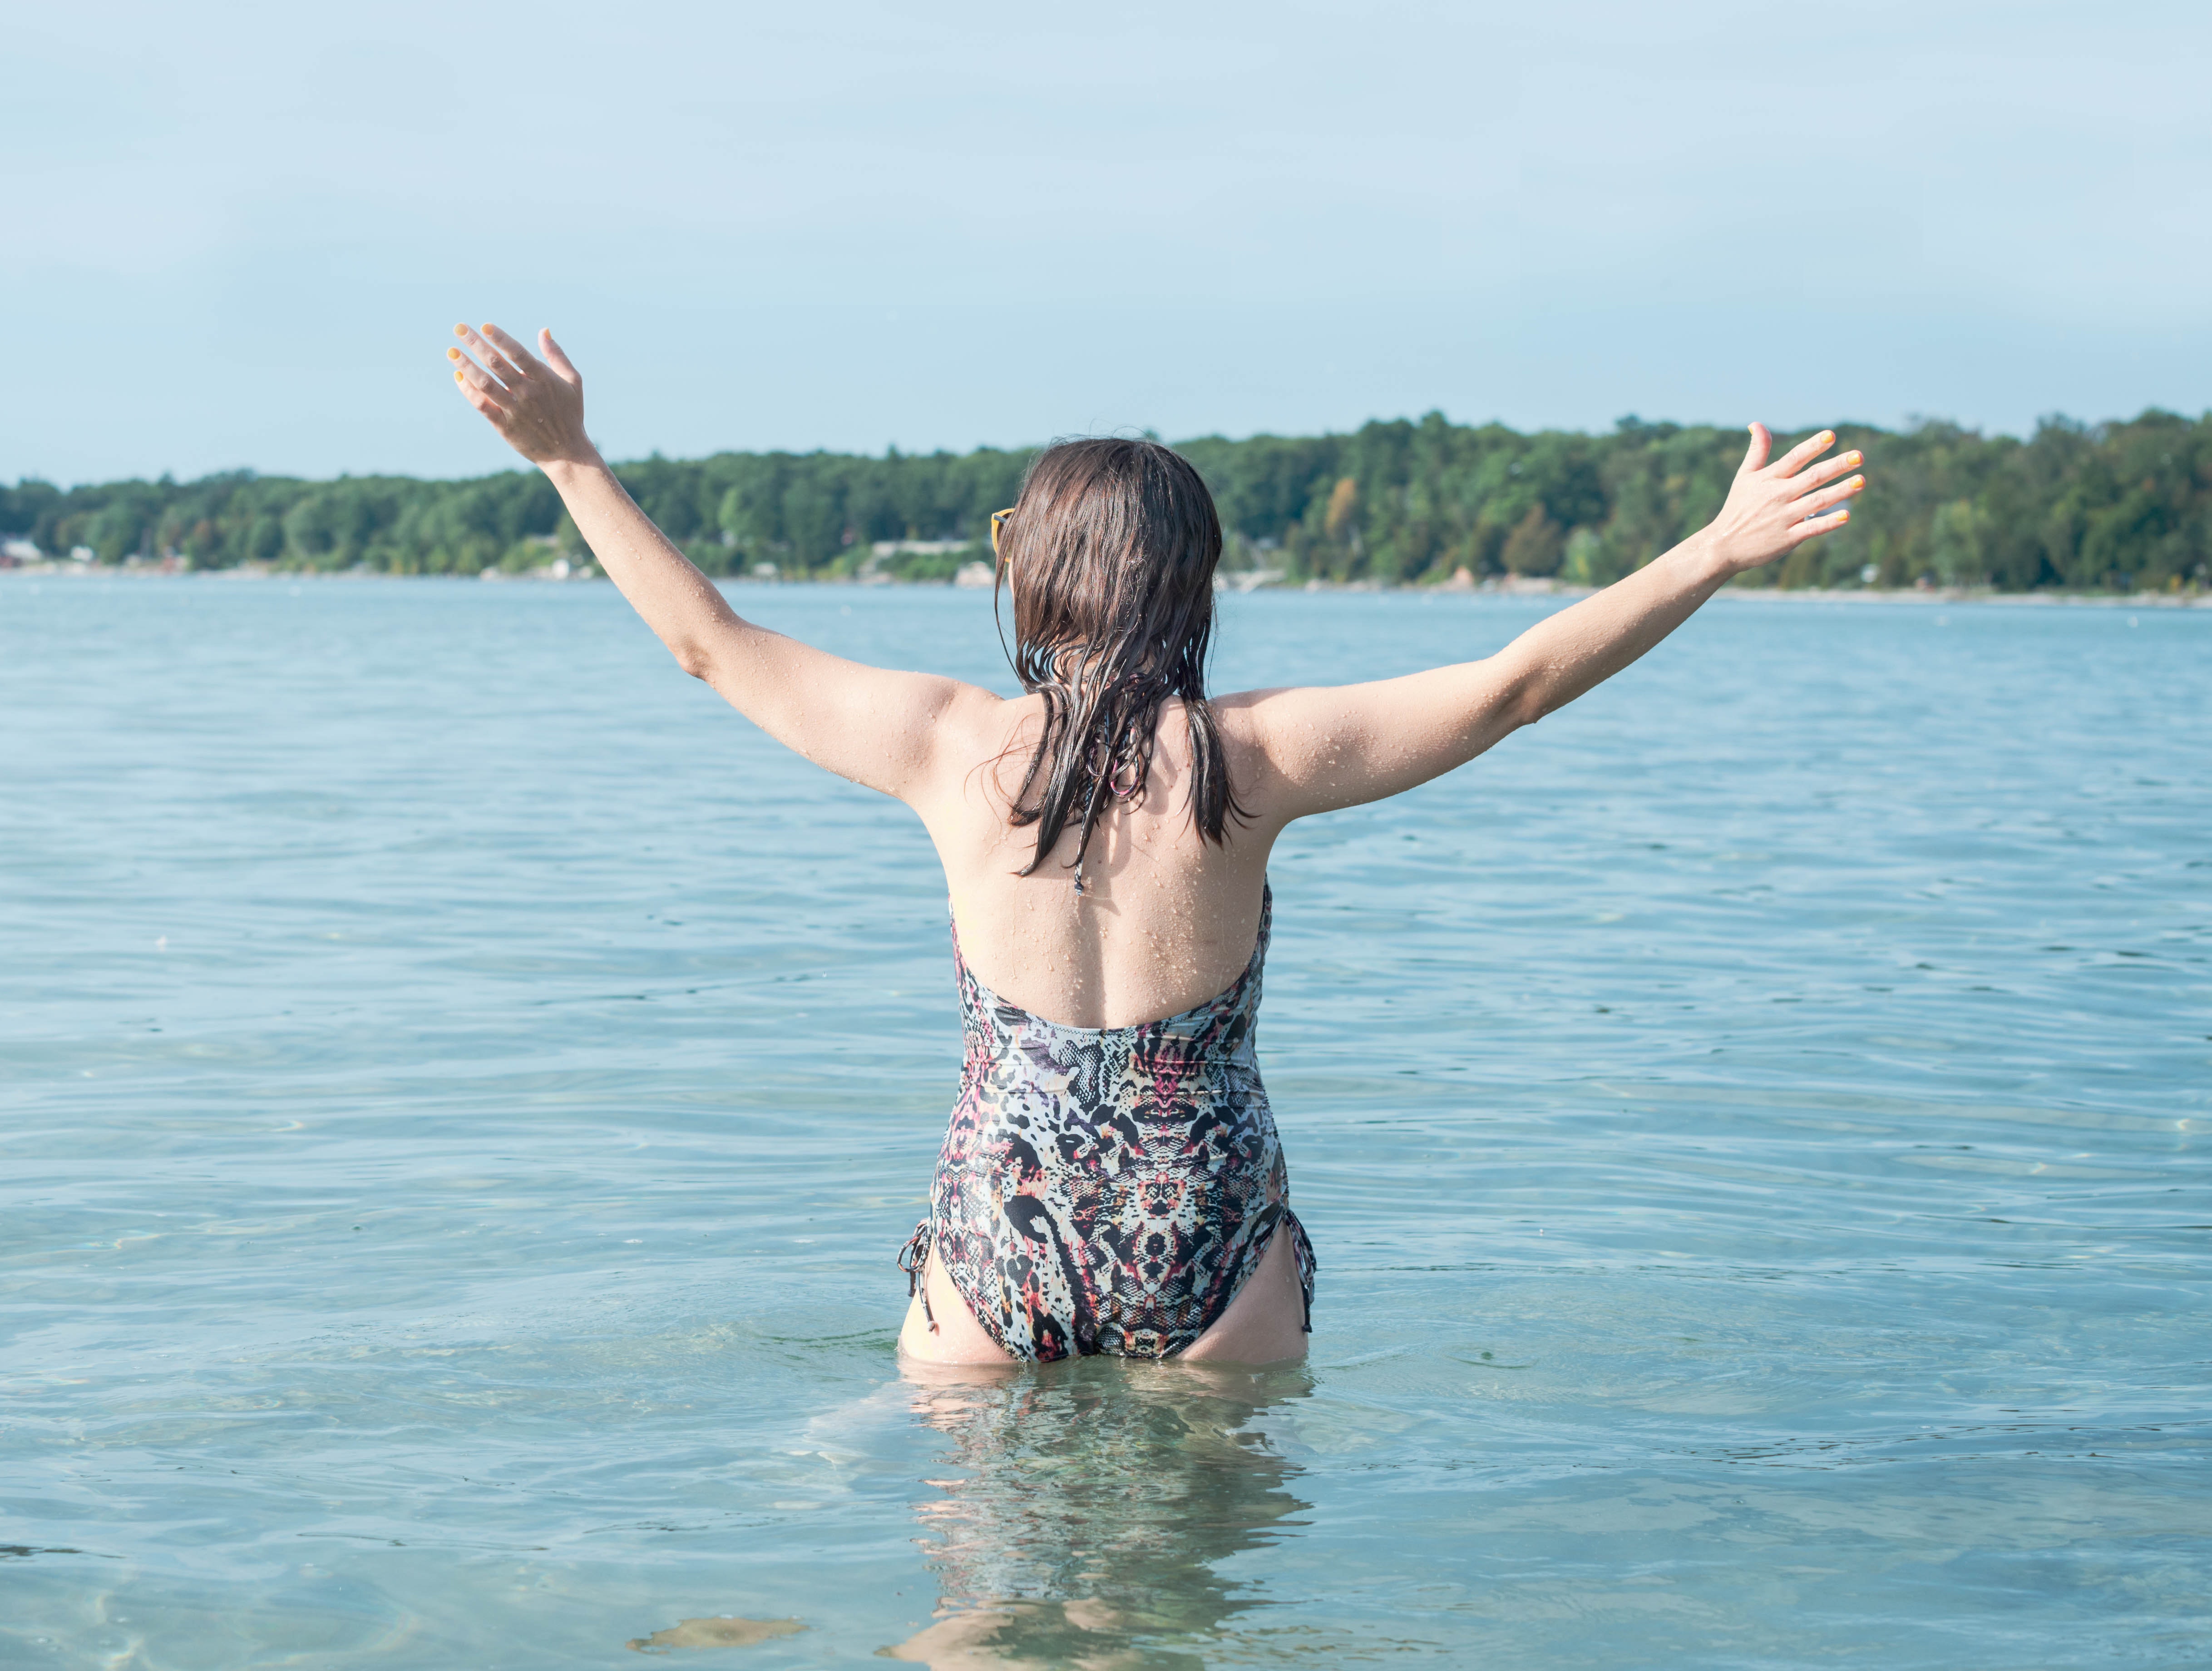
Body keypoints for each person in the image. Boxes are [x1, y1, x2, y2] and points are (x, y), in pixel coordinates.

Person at [446, 322, 1865, 1367]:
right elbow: (1512, 686)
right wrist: (1710, 552)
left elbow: (711, 645)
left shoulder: (950, 747)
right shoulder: (1249, 760)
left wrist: (568, 458)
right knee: (1191, 1621)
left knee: (977, 1624)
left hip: (1000, 1246)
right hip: (1209, 1250)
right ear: (1190, 583)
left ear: (1037, 572)